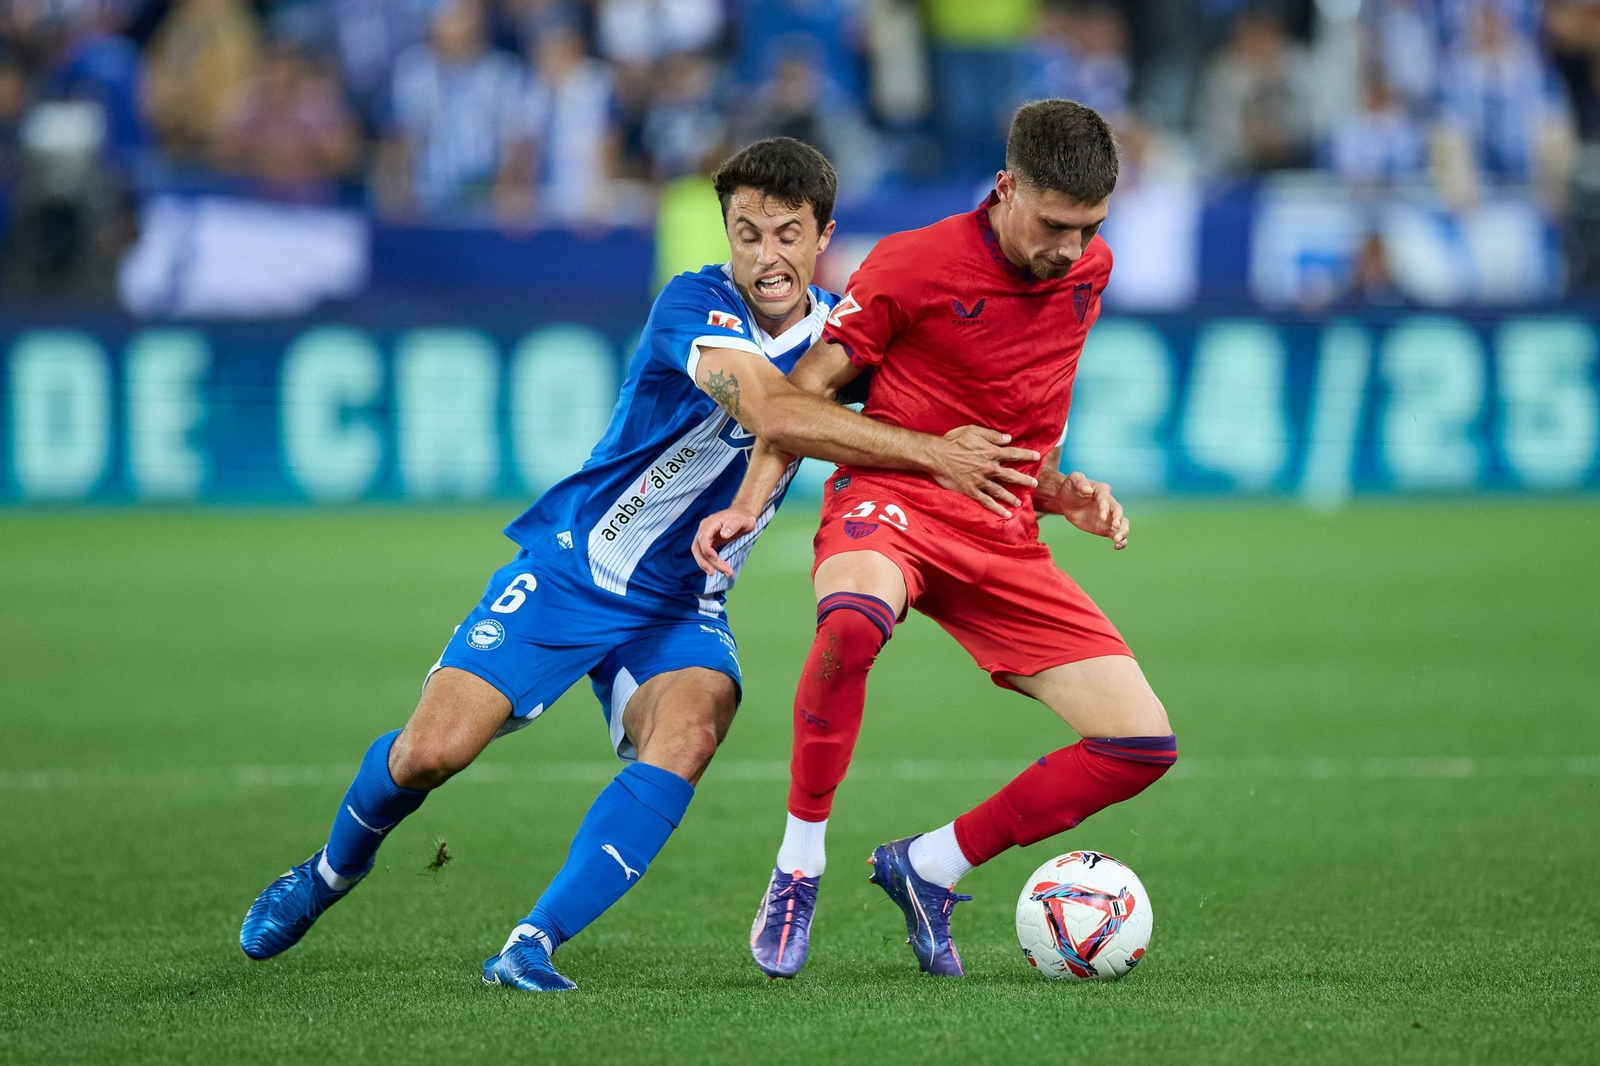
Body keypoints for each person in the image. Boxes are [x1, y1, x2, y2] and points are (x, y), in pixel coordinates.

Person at [238, 136, 1036, 993]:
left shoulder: (848, 333)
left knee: (692, 729)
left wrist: (1051, 485)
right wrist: (924, 449)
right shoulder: (694, 302)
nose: (767, 256)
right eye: (748, 233)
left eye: (787, 234)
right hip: (575, 571)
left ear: (823, 234)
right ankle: (329, 873)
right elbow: (772, 408)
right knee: (432, 752)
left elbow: (955, 419)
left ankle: (531, 944)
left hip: (684, 604)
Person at [694, 100, 1177, 980]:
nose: (1072, 248)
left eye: (1090, 228)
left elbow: (1024, 426)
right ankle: (799, 865)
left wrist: (1062, 493)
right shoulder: (913, 265)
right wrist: (750, 501)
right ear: (1005, 188)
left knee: (1139, 744)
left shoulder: (1088, 272)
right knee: (849, 623)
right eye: (1056, 224)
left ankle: (929, 867)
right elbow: (799, 399)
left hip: (999, 529)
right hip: (894, 500)